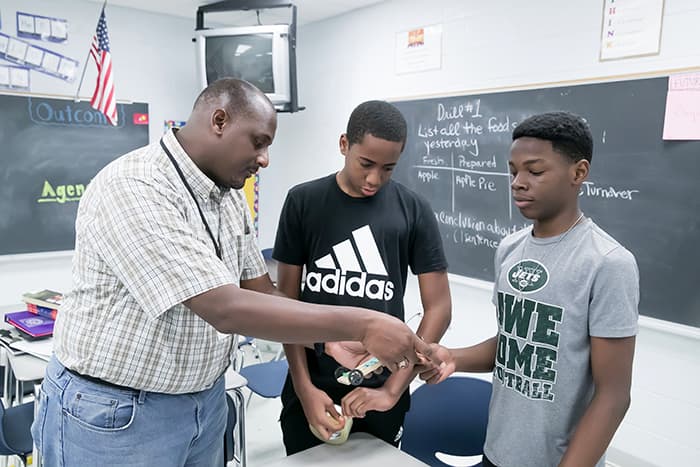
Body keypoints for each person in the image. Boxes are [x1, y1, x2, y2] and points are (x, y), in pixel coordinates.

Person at [31, 79, 436, 467]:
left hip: (203, 403)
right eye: (258, 142)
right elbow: (222, 307)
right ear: (219, 121)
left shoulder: (227, 198)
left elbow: (261, 294)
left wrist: (332, 340)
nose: (264, 158)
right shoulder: (137, 186)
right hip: (117, 414)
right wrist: (363, 324)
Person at [418, 111, 639, 467]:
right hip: (497, 451)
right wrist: (454, 357)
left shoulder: (608, 263)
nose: (518, 182)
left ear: (578, 173)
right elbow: (514, 342)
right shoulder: (509, 249)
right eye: (513, 171)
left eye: (535, 171)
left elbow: (614, 396)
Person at [272, 100, 452, 455]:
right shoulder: (303, 202)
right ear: (344, 145)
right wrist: (304, 387)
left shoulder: (413, 210)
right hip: (310, 383)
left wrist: (392, 390)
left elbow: (440, 308)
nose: (374, 179)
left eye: (388, 168)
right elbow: (285, 307)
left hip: (383, 389)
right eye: (365, 164)